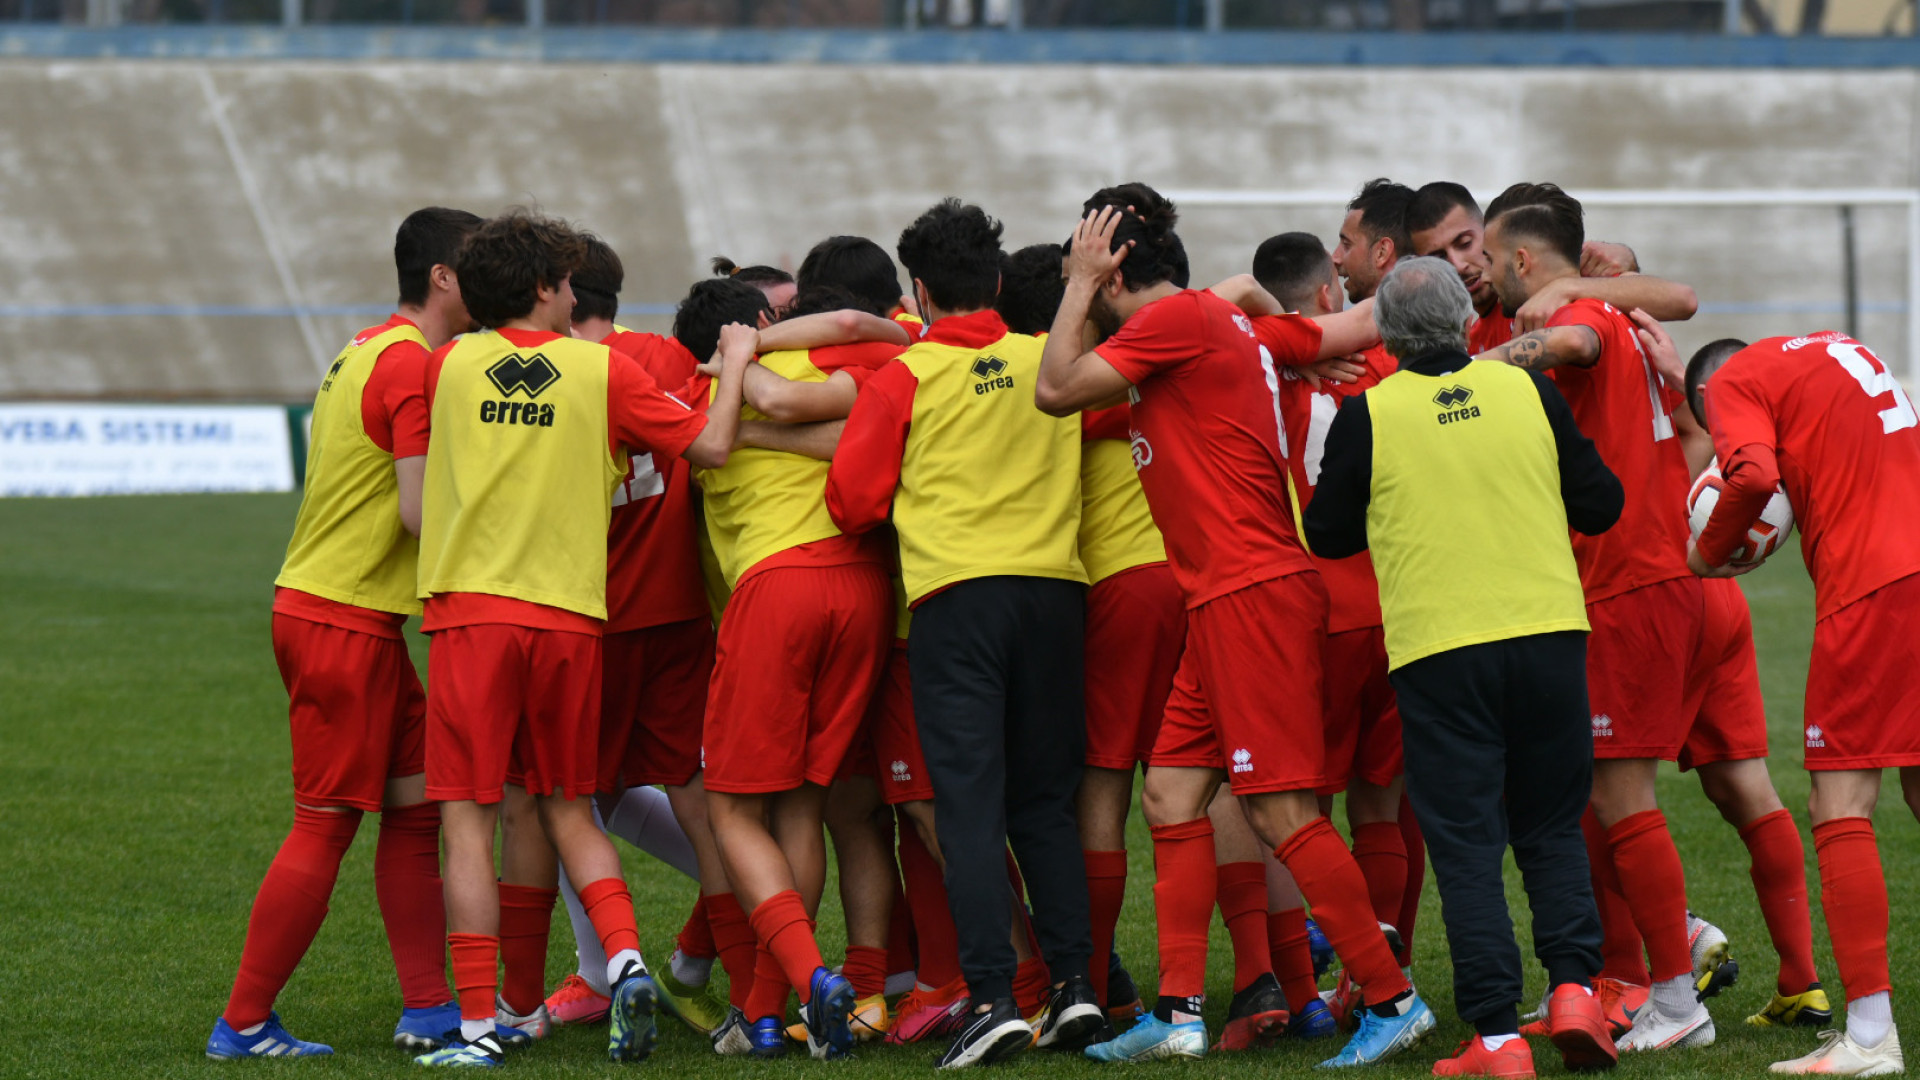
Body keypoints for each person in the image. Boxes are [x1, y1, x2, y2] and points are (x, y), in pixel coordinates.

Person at [1035, 184, 1433, 1070]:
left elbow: (1055, 388)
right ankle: (1177, 1015)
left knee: (1283, 809)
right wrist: (1258, 302)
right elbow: (1331, 330)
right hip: (1221, 598)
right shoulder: (1226, 328)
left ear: (1113, 273)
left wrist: (1074, 285)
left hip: (1250, 595)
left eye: (1091, 272)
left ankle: (1392, 997)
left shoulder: (1175, 321)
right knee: (1171, 797)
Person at [410, 210, 751, 1067]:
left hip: (470, 617)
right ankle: (627, 958)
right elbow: (710, 445)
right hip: (568, 623)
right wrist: (739, 363)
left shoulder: (445, 365)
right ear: (542, 290)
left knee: (467, 821)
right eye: (565, 283)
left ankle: (484, 1023)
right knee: (567, 804)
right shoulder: (601, 371)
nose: (575, 295)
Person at [1304, 256, 1625, 1078]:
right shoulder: (1528, 392)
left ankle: (1495, 1037)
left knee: (1468, 846)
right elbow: (1602, 502)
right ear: (1459, 321)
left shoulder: (1368, 413)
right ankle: (1575, 993)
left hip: (1441, 650)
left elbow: (1328, 535)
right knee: (1551, 827)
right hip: (1549, 633)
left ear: (1385, 334)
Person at [827, 198, 1104, 1068]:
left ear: (918, 287)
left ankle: (992, 997)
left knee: (971, 808)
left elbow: (853, 502)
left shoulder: (904, 377)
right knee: (1045, 806)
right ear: (994, 279)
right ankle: (1075, 988)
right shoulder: (1045, 358)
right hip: (1057, 595)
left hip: (959, 600)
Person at [205, 207, 486, 1062]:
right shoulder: (410, 370)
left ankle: (429, 1008)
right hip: (342, 622)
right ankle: (243, 1022)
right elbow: (415, 511)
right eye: (482, 268)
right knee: (324, 823)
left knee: (414, 813)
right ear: (444, 277)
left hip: (352, 618)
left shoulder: (364, 348)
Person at [1474, 183, 1713, 1052]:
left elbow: (1573, 339)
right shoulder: (1592, 304)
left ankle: (1679, 999)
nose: (1489, 275)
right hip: (1621, 582)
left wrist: (1484, 367)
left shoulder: (1579, 317)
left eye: (1495, 259)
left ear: (1524, 261)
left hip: (1627, 584)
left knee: (1621, 797)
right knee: (1593, 799)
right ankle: (1645, 977)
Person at [1681, 326, 1920, 1076]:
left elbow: (1750, 478)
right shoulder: (1821, 349)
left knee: (1839, 803)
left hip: (1874, 584)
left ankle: (1872, 1035)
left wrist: (1706, 551)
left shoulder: (1729, 386)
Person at [688, 274, 906, 1061]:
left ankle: (813, 976)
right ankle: (763, 1014)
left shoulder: (701, 396)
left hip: (776, 593)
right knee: (803, 807)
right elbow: (855, 429)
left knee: (733, 813)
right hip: (865, 591)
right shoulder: (823, 369)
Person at [539, 235, 735, 1039]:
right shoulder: (663, 357)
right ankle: (751, 900)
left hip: (591, 621)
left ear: (557, 293)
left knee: (563, 799)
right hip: (682, 618)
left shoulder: (551, 375)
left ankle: (596, 973)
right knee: (655, 790)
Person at [999, 240, 1178, 1029]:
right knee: (1223, 782)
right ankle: (1274, 982)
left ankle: (1092, 984)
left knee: (1097, 785)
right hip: (1197, 579)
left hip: (1113, 588)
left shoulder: (1059, 384)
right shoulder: (1169, 350)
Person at [1403, 181, 1698, 353]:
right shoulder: (1469, 340)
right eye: (1439, 258)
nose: (1458, 265)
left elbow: (1684, 300)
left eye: (1465, 242)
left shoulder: (1572, 279)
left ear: (1488, 231)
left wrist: (1566, 286)